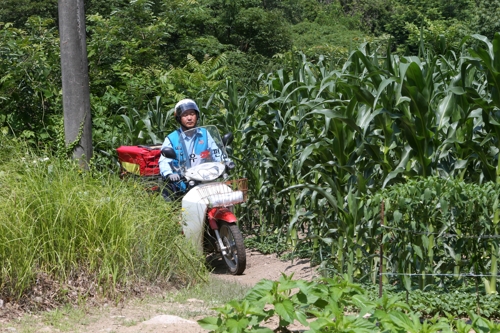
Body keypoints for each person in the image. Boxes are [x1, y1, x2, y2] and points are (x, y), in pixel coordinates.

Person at [158, 98, 221, 200]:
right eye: (185, 115)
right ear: (179, 118)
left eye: (192, 114)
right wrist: (169, 174)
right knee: (169, 205)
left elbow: (215, 151)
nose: (189, 118)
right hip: (180, 183)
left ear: (197, 116)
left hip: (202, 180)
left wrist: (224, 161)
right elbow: (164, 161)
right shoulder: (172, 138)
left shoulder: (204, 134)